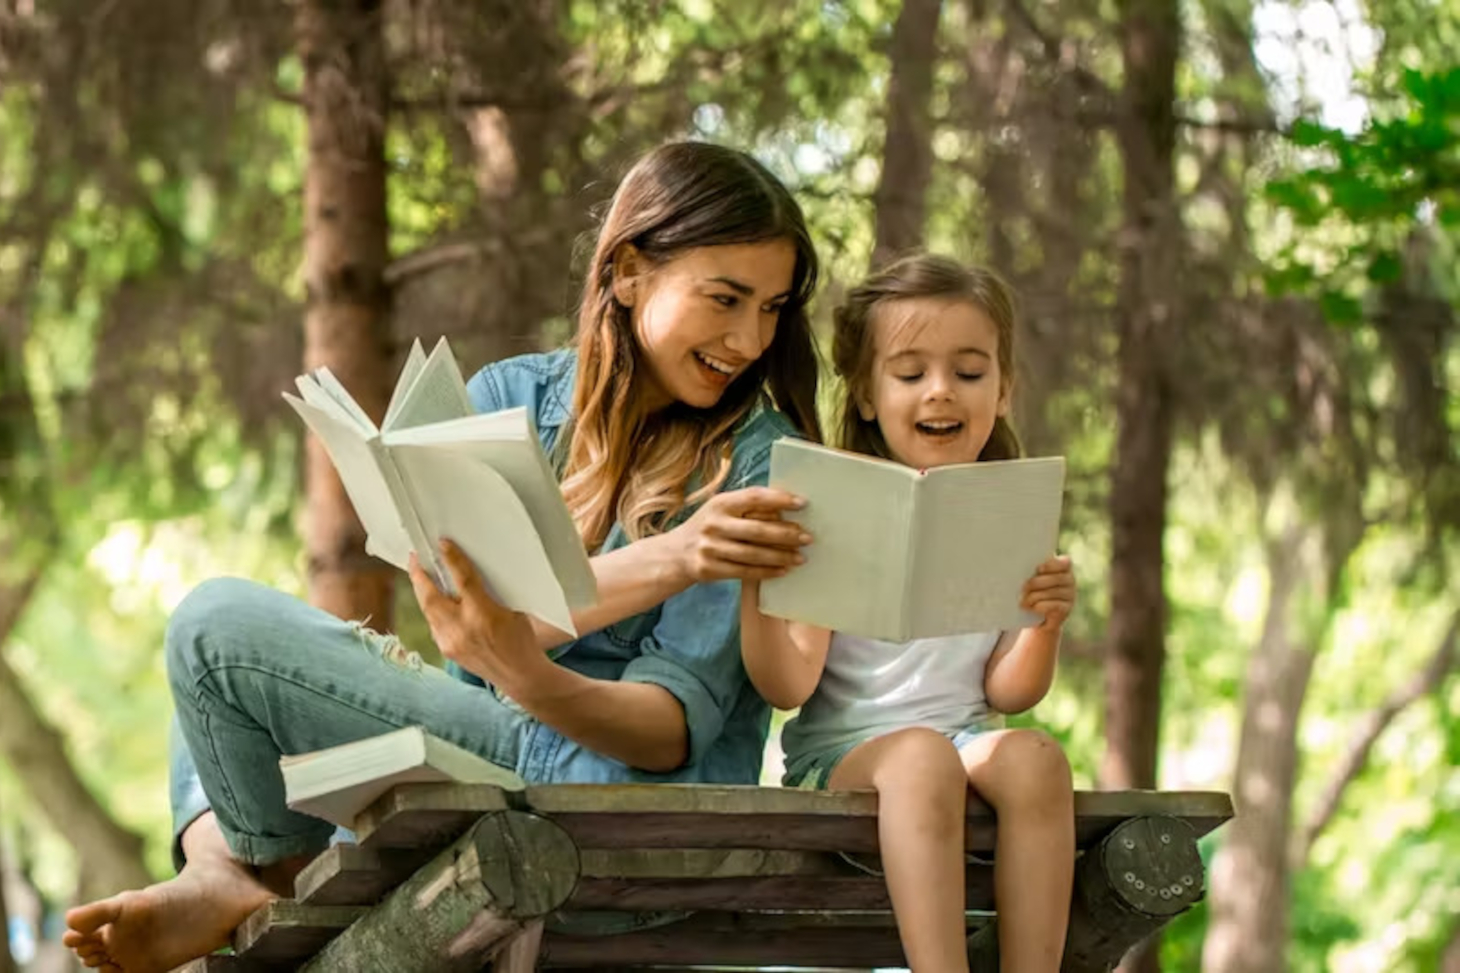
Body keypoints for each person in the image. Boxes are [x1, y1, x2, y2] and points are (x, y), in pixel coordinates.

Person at [64, 141, 823, 973]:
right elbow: (479, 638)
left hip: (618, 808)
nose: (750, 338)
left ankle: (233, 874)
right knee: (218, 687)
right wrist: (666, 561)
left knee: (216, 630)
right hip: (484, 763)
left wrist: (531, 670)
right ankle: (224, 871)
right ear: (631, 270)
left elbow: (672, 731)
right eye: (726, 299)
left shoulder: (757, 459)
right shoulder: (512, 399)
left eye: (773, 308)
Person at [739, 254, 1077, 973]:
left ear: (1004, 390)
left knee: (1036, 756)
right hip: (844, 757)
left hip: (962, 739)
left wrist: (1044, 623)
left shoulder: (1008, 516)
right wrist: (756, 592)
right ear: (865, 392)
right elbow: (787, 686)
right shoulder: (832, 508)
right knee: (921, 755)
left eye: (969, 371)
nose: (941, 392)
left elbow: (1007, 692)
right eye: (911, 371)